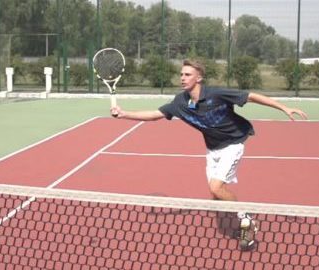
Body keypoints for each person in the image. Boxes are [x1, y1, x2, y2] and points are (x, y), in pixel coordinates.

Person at [110, 59, 307, 249]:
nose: (182, 78)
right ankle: (236, 212)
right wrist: (125, 114)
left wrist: (284, 107)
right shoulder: (180, 102)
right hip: (212, 150)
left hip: (233, 144)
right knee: (216, 197)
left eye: (188, 74)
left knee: (216, 188)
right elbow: (155, 115)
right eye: (181, 74)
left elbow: (251, 96)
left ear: (199, 78)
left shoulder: (217, 94)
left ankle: (247, 220)